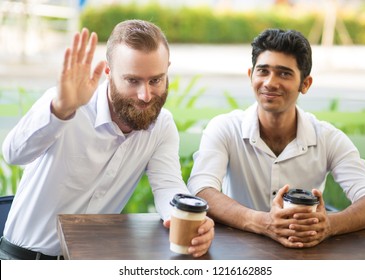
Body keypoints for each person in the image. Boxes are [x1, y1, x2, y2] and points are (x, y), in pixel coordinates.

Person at [0, 19, 214, 259]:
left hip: (87, 263)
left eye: (156, 80)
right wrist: (59, 110)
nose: (145, 95)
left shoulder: (162, 125)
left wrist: (186, 221)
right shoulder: (67, 104)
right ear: (109, 73)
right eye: (132, 81)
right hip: (22, 261)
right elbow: (14, 154)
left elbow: (168, 186)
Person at [187, 28, 365, 248]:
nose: (270, 82)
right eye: (263, 71)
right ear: (250, 75)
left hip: (305, 252)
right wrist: (262, 222)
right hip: (238, 251)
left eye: (284, 73)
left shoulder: (328, 138)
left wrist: (329, 224)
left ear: (305, 84)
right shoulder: (224, 128)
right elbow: (201, 188)